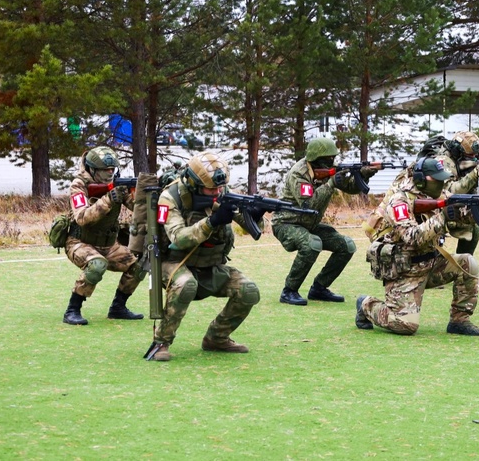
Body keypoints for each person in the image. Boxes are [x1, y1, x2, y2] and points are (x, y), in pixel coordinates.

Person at [145, 152, 262, 361]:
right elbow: (178, 237)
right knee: (185, 284)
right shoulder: (170, 197)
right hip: (172, 263)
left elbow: (252, 229)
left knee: (249, 290)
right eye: (211, 189)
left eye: (220, 188)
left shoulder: (221, 191)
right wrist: (212, 222)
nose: (217, 193)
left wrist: (256, 214)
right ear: (193, 183)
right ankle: (161, 342)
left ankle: (217, 338)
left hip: (209, 264)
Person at [355, 158, 479, 337]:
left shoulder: (438, 197)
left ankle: (459, 320)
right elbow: (412, 238)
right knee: (405, 325)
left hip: (431, 264)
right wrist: (443, 217)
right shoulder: (399, 201)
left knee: (468, 263)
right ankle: (366, 305)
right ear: (421, 180)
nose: (441, 183)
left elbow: (459, 218)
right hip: (406, 271)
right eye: (437, 179)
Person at [271, 137, 373, 306]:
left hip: (309, 224)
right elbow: (308, 204)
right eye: (329, 159)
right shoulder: (299, 173)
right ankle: (289, 291)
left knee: (346, 246)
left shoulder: (327, 170)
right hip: (286, 223)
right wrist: (331, 183)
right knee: (312, 243)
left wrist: (363, 175)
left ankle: (319, 288)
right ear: (318, 159)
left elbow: (351, 188)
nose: (332, 162)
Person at [61, 146, 146, 325]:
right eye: (105, 170)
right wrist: (109, 198)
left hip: (108, 245)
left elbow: (138, 209)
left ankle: (118, 307)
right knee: (97, 265)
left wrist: (147, 195)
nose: (110, 173)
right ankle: (72, 310)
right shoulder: (79, 185)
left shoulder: (116, 185)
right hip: (80, 242)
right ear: (92, 169)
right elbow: (82, 217)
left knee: (139, 266)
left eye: (112, 169)